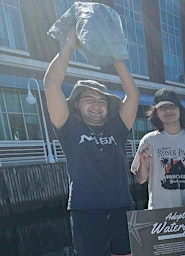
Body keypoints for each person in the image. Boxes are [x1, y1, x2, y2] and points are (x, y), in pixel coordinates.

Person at [43, 31, 139, 256]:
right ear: (76, 104)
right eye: (89, 100)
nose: (96, 105)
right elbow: (51, 84)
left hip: (122, 208)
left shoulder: (117, 127)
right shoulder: (68, 127)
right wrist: (68, 46)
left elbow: (132, 95)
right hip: (86, 211)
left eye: (101, 101)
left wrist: (114, 56)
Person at [130, 89, 185, 209]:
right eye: (162, 108)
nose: (168, 111)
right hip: (158, 210)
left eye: (172, 106)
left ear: (179, 109)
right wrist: (142, 163)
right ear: (156, 113)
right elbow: (141, 180)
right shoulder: (148, 140)